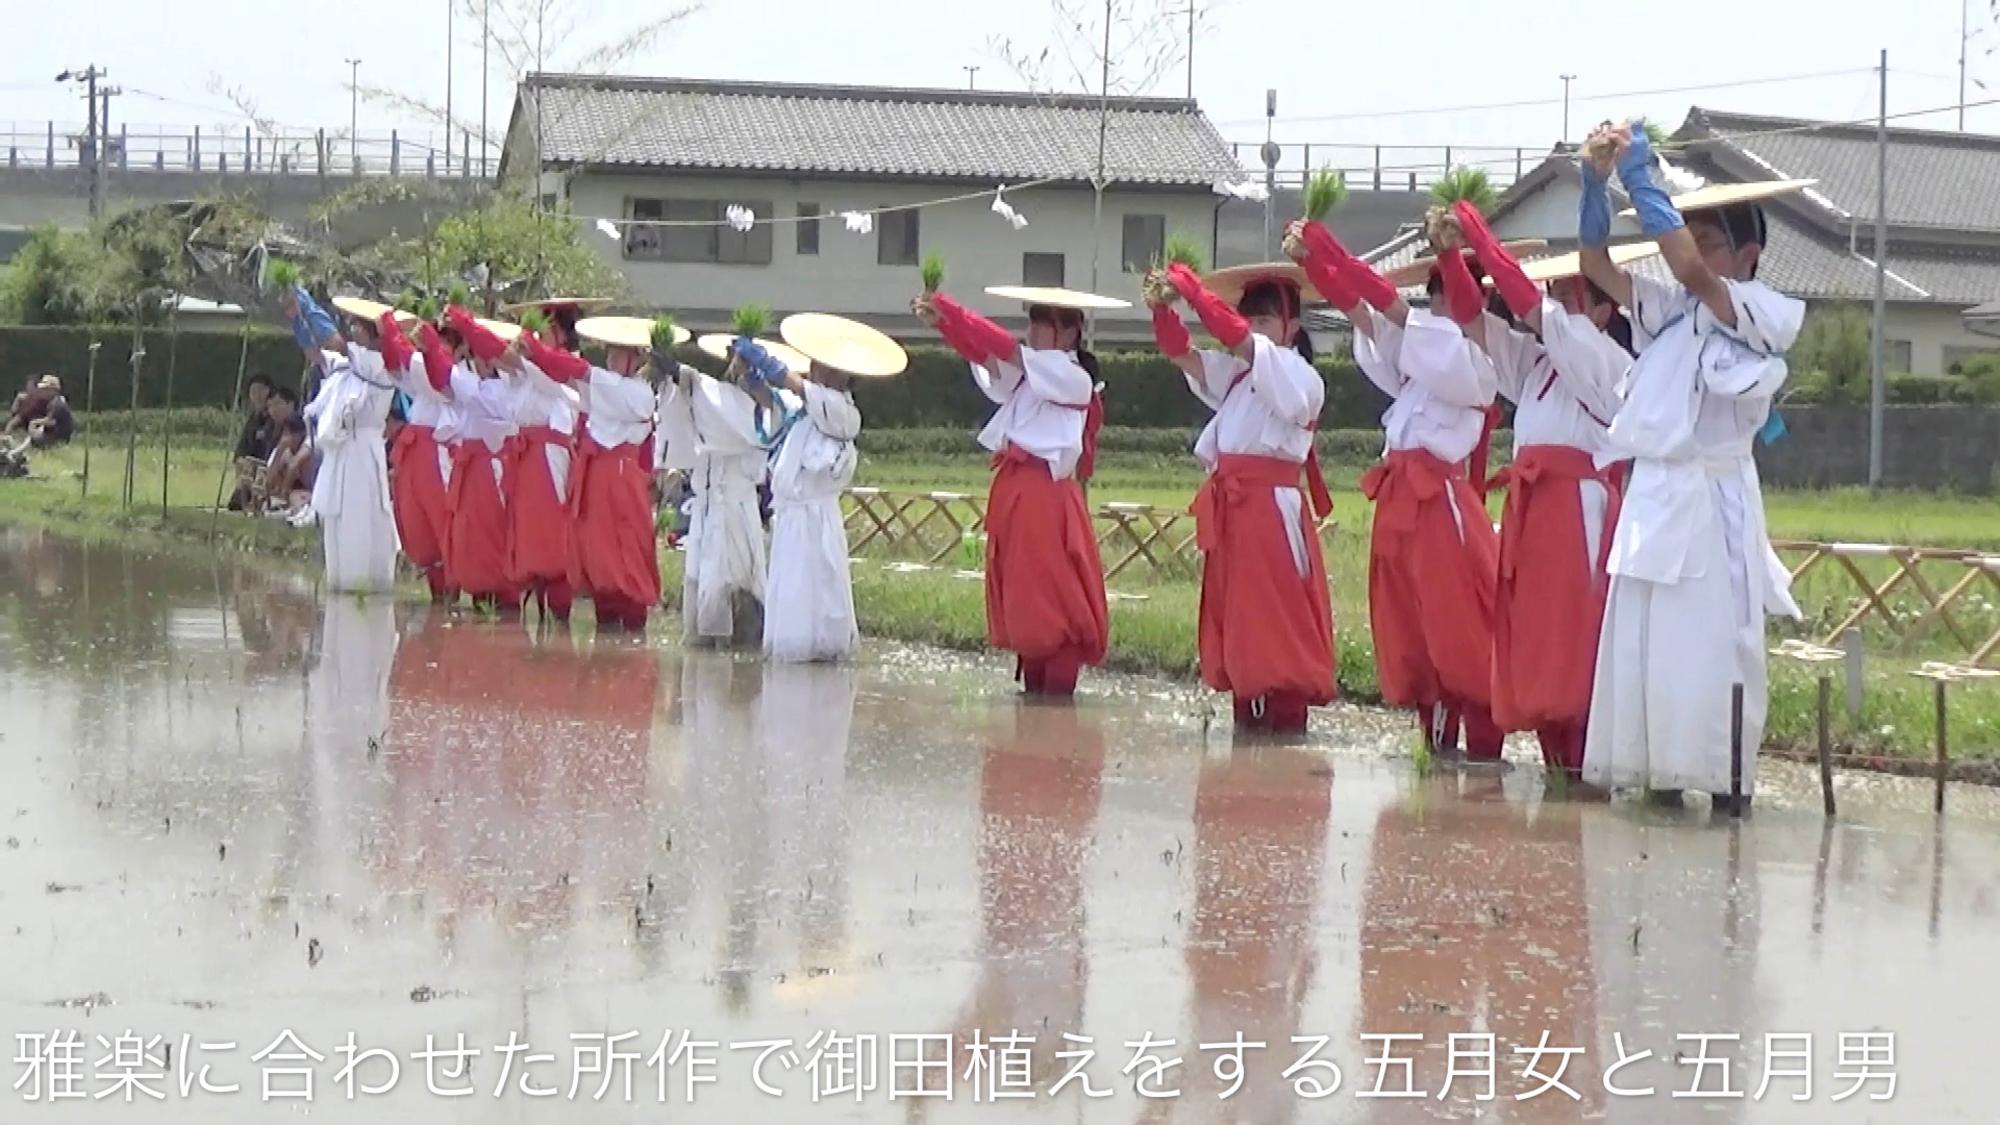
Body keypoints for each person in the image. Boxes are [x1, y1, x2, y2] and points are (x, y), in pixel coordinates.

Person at [1575, 122, 1809, 812]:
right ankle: (1661, 775)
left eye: (1707, 237)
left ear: (1748, 253)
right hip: (1655, 497)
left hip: (1714, 499)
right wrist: (1594, 184)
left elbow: (1692, 271)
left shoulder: (1756, 309)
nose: (1688, 248)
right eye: (1688, 233)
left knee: (1712, 645)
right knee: (1649, 645)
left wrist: (1642, 178)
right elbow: (1595, 266)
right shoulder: (1671, 314)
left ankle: (1727, 779)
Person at [1287, 218, 1540, 762]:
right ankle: (1436, 739)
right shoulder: (1423, 366)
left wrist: (1332, 246)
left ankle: (1483, 744)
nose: (1435, 310)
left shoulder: (1477, 362)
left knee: (1456, 625)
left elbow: (1390, 309)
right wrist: (1313, 265)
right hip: (1402, 498)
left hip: (1440, 502)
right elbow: (1365, 312)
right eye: (1435, 298)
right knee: (1411, 624)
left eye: (1446, 297)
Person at [1451, 203, 1646, 782]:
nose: (1559, 307)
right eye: (1557, 294)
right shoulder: (1538, 367)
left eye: (1573, 297)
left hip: (1577, 508)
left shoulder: (1608, 359)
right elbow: (1474, 318)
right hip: (1532, 509)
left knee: (1573, 633)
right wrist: (1450, 256)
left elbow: (1529, 306)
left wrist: (1479, 236)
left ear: (1606, 309)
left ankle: (1585, 760)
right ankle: (1558, 761)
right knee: (1534, 634)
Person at [1146, 262, 1336, 734]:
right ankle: (1247, 718)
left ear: (1292, 326)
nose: (1255, 329)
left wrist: (1191, 289)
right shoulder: (1238, 375)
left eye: (1267, 319)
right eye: (1251, 318)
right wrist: (1161, 309)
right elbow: (1182, 354)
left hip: (1270, 508)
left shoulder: (1300, 377)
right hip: (1232, 506)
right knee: (1236, 612)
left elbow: (1235, 337)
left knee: (1274, 613)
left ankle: (1285, 718)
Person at [913, 284, 1114, 698]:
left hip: (1046, 492)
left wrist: (952, 306)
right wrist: (945, 325)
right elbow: (983, 354)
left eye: (1044, 325)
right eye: (1033, 323)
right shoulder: (1030, 376)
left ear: (1070, 334)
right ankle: (1036, 683)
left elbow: (1004, 349)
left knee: (1051, 589)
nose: (1034, 332)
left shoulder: (1073, 378)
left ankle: (1056, 681)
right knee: (1020, 585)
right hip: (1017, 489)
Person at [763, 313, 908, 662]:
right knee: (791, 590)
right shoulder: (805, 408)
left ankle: (821, 654)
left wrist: (784, 375)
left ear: (841, 376)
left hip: (817, 517)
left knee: (818, 591)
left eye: (825, 367)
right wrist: (752, 376)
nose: (815, 370)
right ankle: (790, 655)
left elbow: (801, 390)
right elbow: (778, 403)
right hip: (791, 515)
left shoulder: (843, 413)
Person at [656, 325, 784, 647]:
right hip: (706, 506)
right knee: (703, 580)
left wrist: (681, 372)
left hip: (734, 506)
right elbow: (693, 416)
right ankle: (705, 649)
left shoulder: (753, 408)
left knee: (734, 582)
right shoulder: (719, 400)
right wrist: (672, 379)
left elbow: (715, 405)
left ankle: (740, 646)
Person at [569, 316, 669, 633]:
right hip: (600, 473)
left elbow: (578, 373)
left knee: (627, 544)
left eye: (620, 352)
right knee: (598, 547)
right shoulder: (606, 389)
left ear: (636, 359)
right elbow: (570, 380)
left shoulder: (638, 393)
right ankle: (607, 620)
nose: (611, 357)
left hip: (625, 477)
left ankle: (633, 619)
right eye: (610, 351)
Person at [305, 297, 403, 593]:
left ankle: (364, 586)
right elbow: (316, 353)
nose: (351, 331)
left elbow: (334, 342)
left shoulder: (380, 367)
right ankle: (341, 587)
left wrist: (304, 301)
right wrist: (297, 318)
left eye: (358, 326)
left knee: (360, 521)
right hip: (342, 454)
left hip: (365, 455)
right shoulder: (349, 367)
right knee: (336, 521)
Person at [508, 324, 585, 623]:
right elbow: (505, 360)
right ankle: (538, 601)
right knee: (530, 529)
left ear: (562, 334)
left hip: (551, 454)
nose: (540, 338)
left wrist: (528, 348)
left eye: (546, 331)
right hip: (527, 454)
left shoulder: (565, 365)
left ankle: (560, 609)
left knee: (552, 527)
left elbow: (531, 366)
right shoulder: (527, 372)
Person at [233, 374, 278, 461]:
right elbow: (242, 448)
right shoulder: (253, 419)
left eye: (261, 391)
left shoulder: (277, 419)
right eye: (253, 392)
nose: (257, 396)